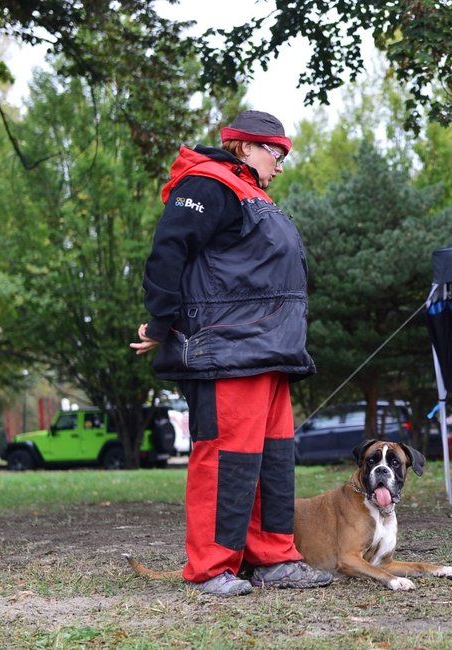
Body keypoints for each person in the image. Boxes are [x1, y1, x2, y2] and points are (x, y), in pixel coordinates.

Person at [130, 110, 333, 596]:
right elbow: (168, 250)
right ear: (242, 146)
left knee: (274, 460)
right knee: (227, 460)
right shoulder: (206, 184)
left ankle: (274, 558)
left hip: (271, 351)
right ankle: (211, 568)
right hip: (226, 350)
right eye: (275, 152)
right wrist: (162, 320)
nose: (281, 164)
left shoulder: (252, 194)